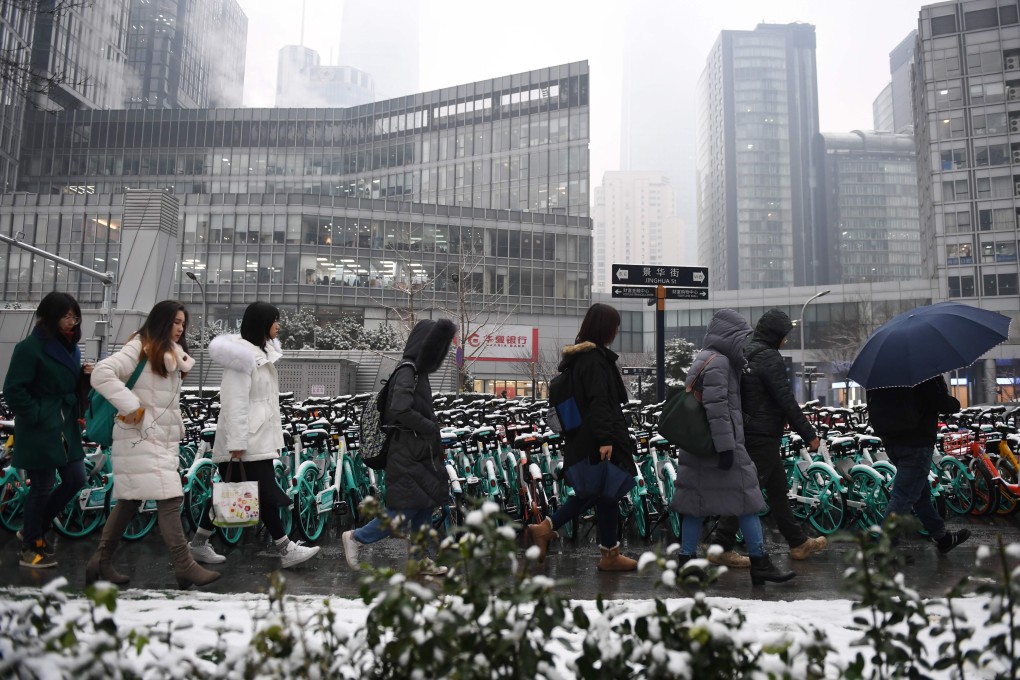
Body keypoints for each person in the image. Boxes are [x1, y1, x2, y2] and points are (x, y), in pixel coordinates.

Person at [86, 300, 220, 588]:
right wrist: (132, 406)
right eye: (175, 322)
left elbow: (163, 401)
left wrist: (177, 426)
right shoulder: (140, 345)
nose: (180, 328)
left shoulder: (171, 353)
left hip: (158, 439)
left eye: (183, 323)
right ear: (161, 321)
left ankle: (100, 560)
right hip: (138, 437)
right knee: (170, 498)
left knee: (130, 502)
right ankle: (185, 566)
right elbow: (101, 373)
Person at [669, 309, 795, 586]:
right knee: (747, 499)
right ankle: (760, 562)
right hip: (720, 445)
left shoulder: (707, 358)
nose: (745, 343)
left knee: (695, 503)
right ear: (730, 337)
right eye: (742, 337)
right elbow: (717, 410)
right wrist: (727, 448)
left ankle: (686, 562)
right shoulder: (720, 363)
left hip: (699, 448)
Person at [191, 301, 320, 569]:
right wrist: (236, 443)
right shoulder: (243, 358)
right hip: (245, 440)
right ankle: (285, 548)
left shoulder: (262, 354)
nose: (278, 325)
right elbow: (234, 403)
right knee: (262, 493)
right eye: (274, 320)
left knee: (235, 492)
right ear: (261, 323)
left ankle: (199, 544)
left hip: (256, 436)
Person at [707, 309, 827, 567]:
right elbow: (784, 399)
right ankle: (720, 546)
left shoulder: (745, 351)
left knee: (777, 491)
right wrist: (809, 434)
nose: (786, 340)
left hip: (748, 431)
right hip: (762, 436)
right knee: (746, 492)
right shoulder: (769, 357)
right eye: (785, 335)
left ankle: (798, 543)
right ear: (776, 334)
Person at [526, 303, 639, 571]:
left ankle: (610, 554)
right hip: (596, 439)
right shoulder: (594, 359)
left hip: (586, 437)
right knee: (596, 490)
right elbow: (600, 401)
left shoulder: (583, 358)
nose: (616, 332)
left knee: (607, 493)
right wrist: (606, 440)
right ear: (604, 328)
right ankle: (545, 528)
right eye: (614, 326)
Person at [342, 318, 456, 575]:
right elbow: (400, 409)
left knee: (424, 508)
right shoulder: (407, 371)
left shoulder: (418, 372)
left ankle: (420, 559)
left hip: (421, 453)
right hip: (407, 453)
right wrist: (429, 427)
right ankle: (356, 538)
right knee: (403, 511)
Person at [4, 292, 92, 568]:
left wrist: (82, 377)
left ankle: (33, 529)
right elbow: (13, 390)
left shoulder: (71, 349)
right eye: (66, 316)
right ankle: (30, 547)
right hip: (40, 426)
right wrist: (38, 414)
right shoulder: (29, 348)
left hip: (64, 423)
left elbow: (63, 383)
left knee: (76, 478)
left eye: (75, 316)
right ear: (49, 317)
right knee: (41, 485)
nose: (72, 322)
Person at [866, 376, 970, 555]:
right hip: (916, 442)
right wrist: (953, 403)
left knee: (920, 494)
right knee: (903, 497)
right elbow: (938, 401)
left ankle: (942, 538)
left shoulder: (882, 373)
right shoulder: (922, 373)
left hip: (892, 442)